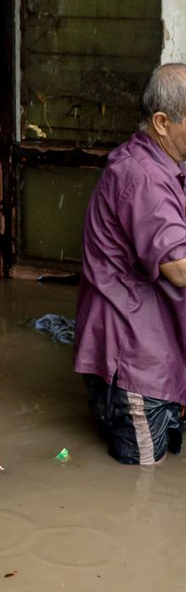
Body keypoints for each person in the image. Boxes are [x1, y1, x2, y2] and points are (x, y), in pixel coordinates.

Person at [74, 62, 186, 465]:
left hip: (160, 344)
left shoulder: (160, 160)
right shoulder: (143, 179)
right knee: (142, 480)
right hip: (136, 356)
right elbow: (179, 268)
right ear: (162, 121)